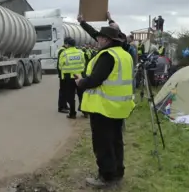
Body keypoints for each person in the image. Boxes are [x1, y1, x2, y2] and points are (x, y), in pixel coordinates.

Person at [74, 26, 135, 188]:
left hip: (103, 107)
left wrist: (81, 82)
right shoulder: (125, 55)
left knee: (103, 143)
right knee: (116, 141)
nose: (97, 40)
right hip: (119, 107)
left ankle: (106, 177)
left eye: (99, 37)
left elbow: (95, 80)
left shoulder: (107, 55)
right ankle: (117, 172)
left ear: (106, 40)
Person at [58, 37, 86, 119]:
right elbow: (83, 63)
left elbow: (60, 66)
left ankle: (72, 113)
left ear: (67, 44)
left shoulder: (64, 53)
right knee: (81, 94)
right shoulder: (80, 52)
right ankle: (85, 112)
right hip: (79, 76)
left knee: (70, 96)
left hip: (68, 77)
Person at [57, 45, 69, 113]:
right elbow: (60, 65)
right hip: (63, 75)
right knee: (63, 91)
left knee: (65, 91)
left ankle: (64, 105)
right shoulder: (62, 51)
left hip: (64, 75)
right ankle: (61, 107)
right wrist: (61, 75)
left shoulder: (63, 50)